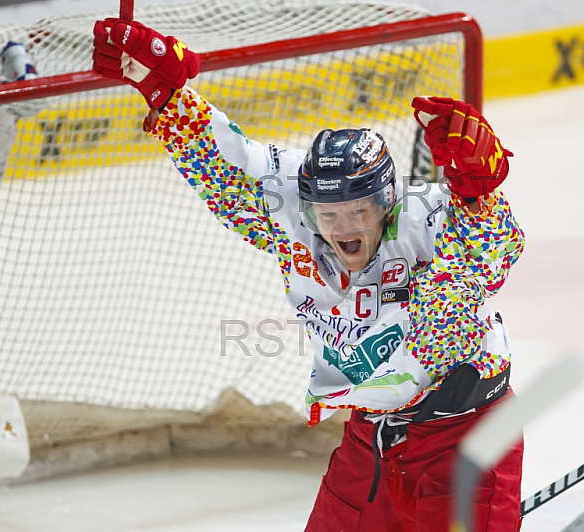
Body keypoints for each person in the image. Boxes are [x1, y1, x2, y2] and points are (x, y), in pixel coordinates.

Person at [91, 19, 526, 532]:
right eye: (330, 213)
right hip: (372, 437)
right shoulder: (298, 224)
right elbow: (229, 173)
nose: (343, 226)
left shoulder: (426, 221)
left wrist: (479, 198)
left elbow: (495, 253)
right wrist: (165, 93)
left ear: (387, 203)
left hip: (466, 439)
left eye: (358, 210)